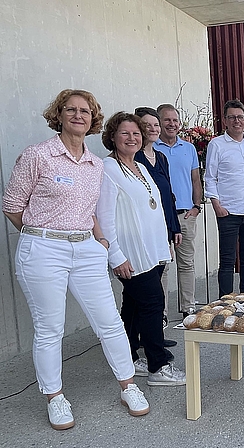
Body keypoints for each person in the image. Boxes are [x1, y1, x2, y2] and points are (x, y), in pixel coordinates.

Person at [2, 89, 149, 430]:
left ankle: (129, 386)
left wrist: (99, 241)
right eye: (71, 109)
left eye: (85, 111)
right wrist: (41, 233)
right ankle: (55, 397)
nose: (78, 115)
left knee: (109, 321)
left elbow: (92, 211)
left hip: (86, 248)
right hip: (43, 249)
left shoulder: (96, 165)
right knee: (50, 328)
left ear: (93, 119)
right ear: (60, 114)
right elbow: (12, 206)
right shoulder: (38, 156)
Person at [96, 112, 186, 387]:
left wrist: (163, 245)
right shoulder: (108, 169)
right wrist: (116, 256)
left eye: (136, 133)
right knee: (152, 303)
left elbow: (154, 206)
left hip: (151, 250)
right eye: (125, 133)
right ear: (112, 137)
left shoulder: (141, 166)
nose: (132, 138)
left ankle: (130, 354)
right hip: (130, 253)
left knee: (134, 306)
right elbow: (104, 216)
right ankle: (158, 366)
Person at [205, 99, 244, 297]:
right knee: (228, 259)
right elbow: (210, 177)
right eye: (232, 117)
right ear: (225, 120)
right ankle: (225, 300)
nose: (236, 121)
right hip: (228, 211)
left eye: (240, 117)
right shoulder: (217, 144)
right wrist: (216, 206)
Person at [134, 107, 181, 342]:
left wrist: (175, 229)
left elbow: (167, 195)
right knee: (146, 287)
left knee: (161, 282)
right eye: (147, 125)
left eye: (155, 125)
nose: (152, 129)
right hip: (142, 231)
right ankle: (142, 336)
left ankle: (155, 333)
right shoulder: (132, 158)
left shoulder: (160, 157)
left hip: (163, 229)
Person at [154, 104, 202, 317]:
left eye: (175, 120)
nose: (172, 124)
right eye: (167, 120)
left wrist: (197, 206)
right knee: (163, 265)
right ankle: (161, 312)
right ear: (159, 123)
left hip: (186, 213)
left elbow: (195, 179)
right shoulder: (151, 148)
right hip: (161, 216)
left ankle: (188, 306)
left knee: (186, 263)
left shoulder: (189, 148)